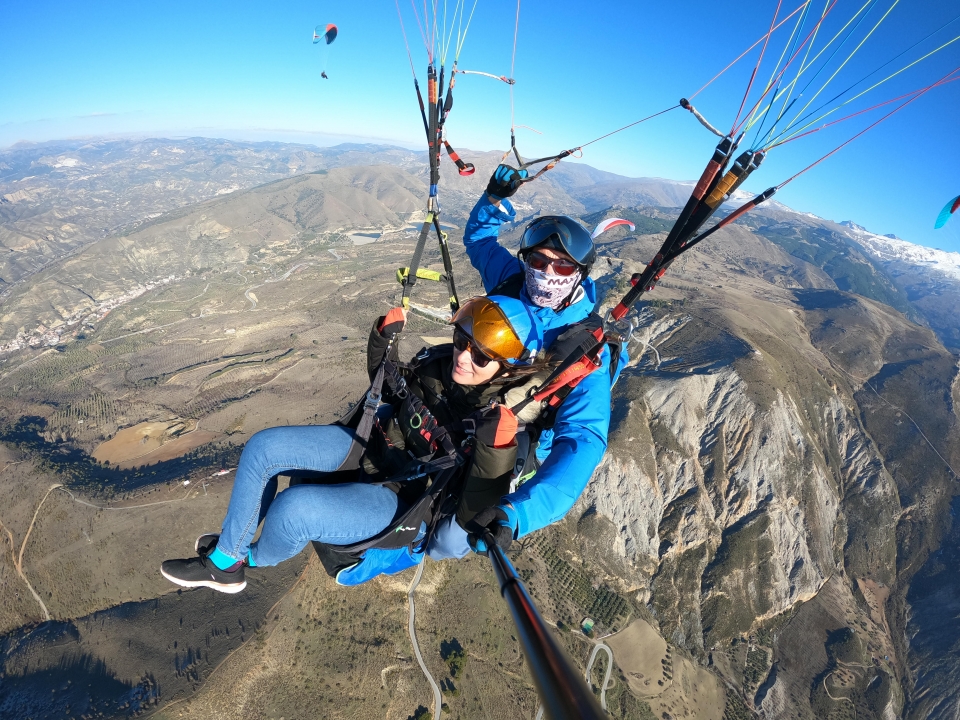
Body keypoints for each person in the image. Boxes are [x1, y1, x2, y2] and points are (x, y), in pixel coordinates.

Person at [160, 295, 548, 593]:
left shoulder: (498, 425)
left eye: (482, 357)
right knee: (264, 448)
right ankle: (225, 562)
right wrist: (382, 343)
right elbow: (391, 389)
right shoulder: (438, 366)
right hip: (369, 448)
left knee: (294, 511)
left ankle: (251, 559)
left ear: (507, 369)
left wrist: (495, 452)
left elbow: (472, 514)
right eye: (463, 340)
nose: (465, 357)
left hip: (400, 499)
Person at [426, 165, 629, 559]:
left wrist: (519, 513)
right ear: (526, 260)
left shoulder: (588, 352)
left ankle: (402, 553)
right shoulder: (511, 279)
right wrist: (493, 199)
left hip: (522, 433)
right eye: (538, 261)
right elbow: (479, 239)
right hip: (474, 396)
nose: (548, 273)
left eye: (564, 266)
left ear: (580, 274)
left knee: (449, 541)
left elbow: (583, 440)